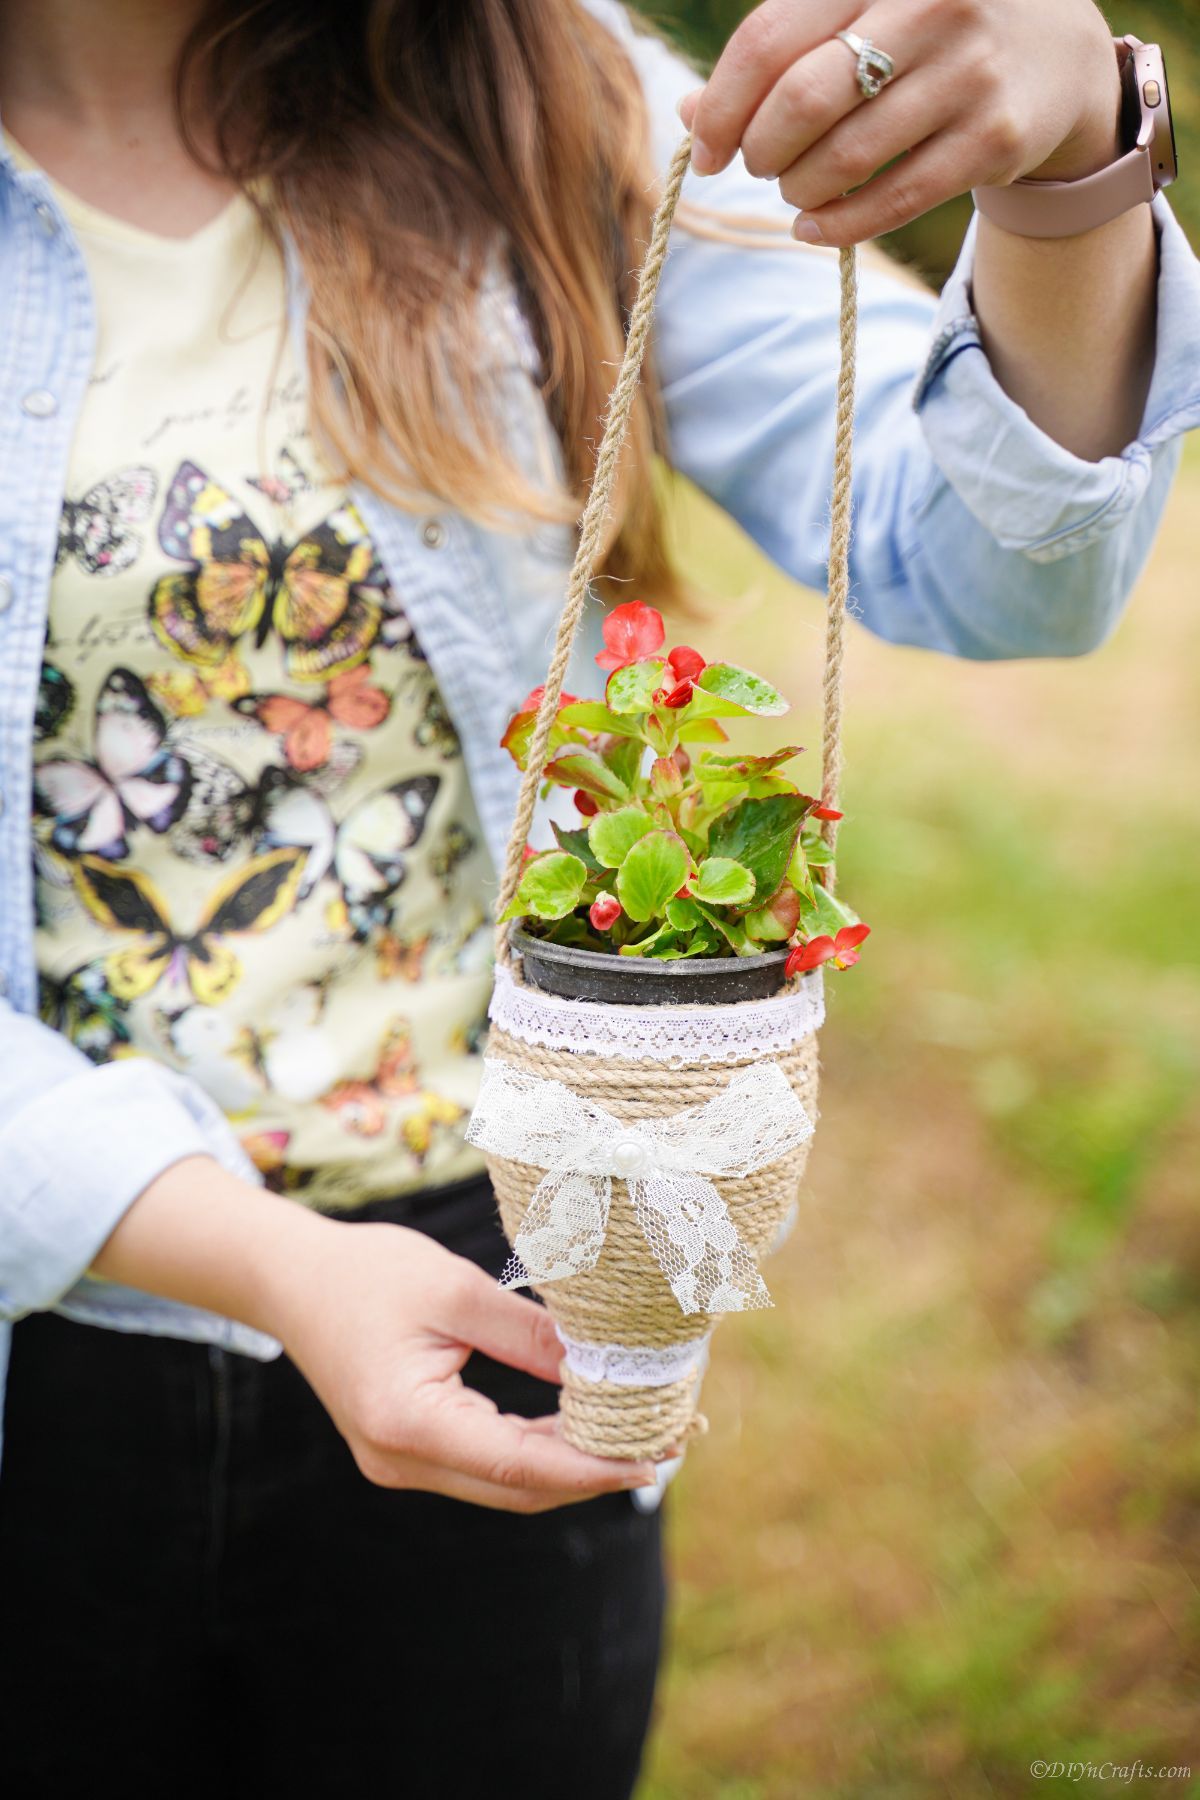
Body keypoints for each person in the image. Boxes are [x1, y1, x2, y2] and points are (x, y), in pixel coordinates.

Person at [0, 0, 1195, 1793]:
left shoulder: (541, 89)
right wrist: (271, 1268)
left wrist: (1074, 164)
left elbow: (993, 566)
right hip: (48, 1358)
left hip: (507, 1312)